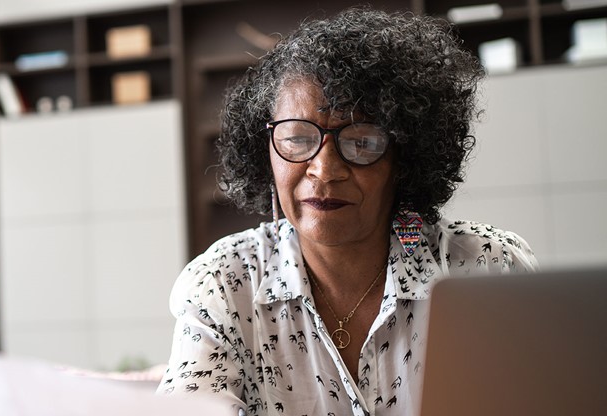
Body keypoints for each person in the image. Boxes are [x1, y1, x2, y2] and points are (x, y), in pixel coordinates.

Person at [157, 6, 538, 416]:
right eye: (298, 138)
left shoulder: (486, 270)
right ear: (264, 150)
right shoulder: (223, 284)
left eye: (361, 142)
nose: (324, 170)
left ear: (405, 157)